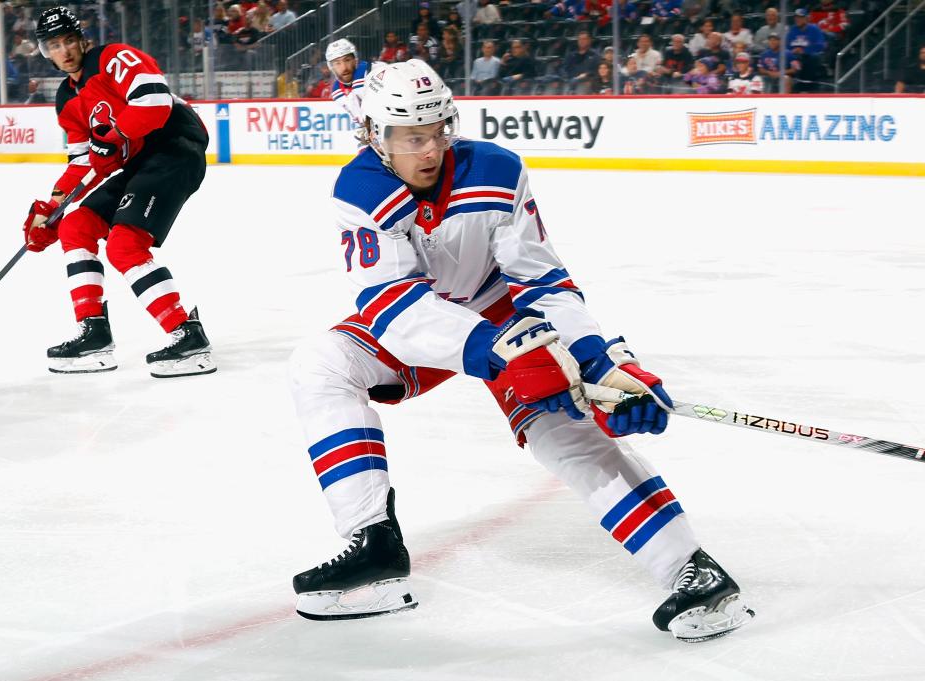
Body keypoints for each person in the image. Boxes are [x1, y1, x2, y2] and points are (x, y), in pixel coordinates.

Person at [287, 59, 754, 640]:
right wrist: (494, 347)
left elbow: (542, 278)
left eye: (438, 132)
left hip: (508, 312)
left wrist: (598, 359)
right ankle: (373, 546)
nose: (430, 150)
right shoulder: (359, 188)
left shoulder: (496, 170)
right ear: (376, 135)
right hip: (428, 323)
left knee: (566, 431)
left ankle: (693, 571)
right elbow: (391, 306)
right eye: (412, 138)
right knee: (322, 365)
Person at [22, 6, 215, 378]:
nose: (64, 51)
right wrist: (53, 208)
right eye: (53, 45)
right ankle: (94, 334)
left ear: (81, 39)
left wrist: (117, 133)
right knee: (75, 225)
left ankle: (187, 337)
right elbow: (85, 162)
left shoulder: (112, 59)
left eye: (67, 41)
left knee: (125, 245)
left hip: (174, 148)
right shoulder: (67, 99)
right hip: (141, 164)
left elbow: (155, 100)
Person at [326, 38, 369, 126]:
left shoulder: (368, 71)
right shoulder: (336, 90)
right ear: (331, 67)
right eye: (337, 63)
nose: (344, 67)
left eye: (347, 60)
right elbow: (360, 119)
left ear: (355, 60)